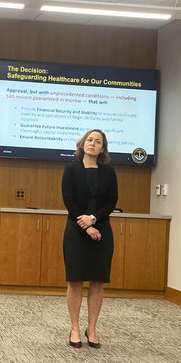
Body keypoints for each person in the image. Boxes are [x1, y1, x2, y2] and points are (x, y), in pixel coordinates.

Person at [61, 129, 117, 349]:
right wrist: (85, 224)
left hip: (101, 229)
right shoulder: (71, 169)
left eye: (98, 141)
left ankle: (91, 328)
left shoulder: (109, 171)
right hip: (75, 229)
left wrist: (93, 219)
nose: (93, 143)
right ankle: (74, 328)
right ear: (83, 143)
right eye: (90, 140)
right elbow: (69, 199)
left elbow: (112, 201)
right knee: (75, 280)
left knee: (97, 281)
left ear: (103, 148)